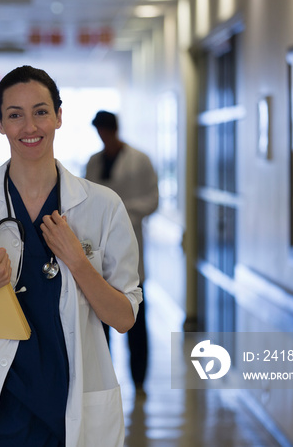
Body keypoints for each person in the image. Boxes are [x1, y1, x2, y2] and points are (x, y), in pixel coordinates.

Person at [0, 65, 142, 446]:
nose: (29, 127)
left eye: (40, 111)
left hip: (69, 409)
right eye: (15, 115)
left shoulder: (103, 206)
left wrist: (77, 261)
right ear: (0, 124)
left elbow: (123, 317)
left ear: (58, 116)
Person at [85, 110, 158, 395]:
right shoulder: (93, 162)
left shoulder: (140, 160)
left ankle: (139, 379)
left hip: (131, 244)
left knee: (135, 316)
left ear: (113, 130)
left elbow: (153, 200)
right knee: (100, 317)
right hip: (98, 251)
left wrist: (119, 211)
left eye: (104, 131)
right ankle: (105, 378)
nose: (102, 137)